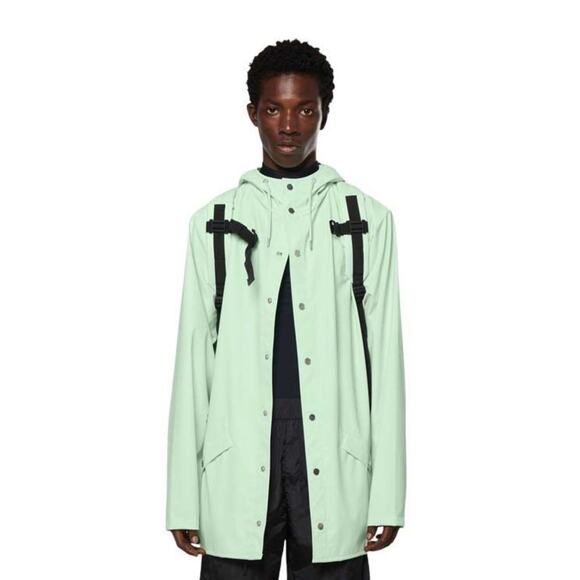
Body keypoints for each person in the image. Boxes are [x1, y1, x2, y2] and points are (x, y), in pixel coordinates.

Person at [165, 39, 407, 579]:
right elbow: (193, 362)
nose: (290, 125)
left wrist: (388, 493)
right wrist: (183, 497)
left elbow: (385, 361)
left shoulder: (369, 221)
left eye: (306, 110)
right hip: (236, 456)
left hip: (336, 451)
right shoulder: (213, 223)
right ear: (253, 113)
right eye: (274, 109)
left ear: (325, 114)